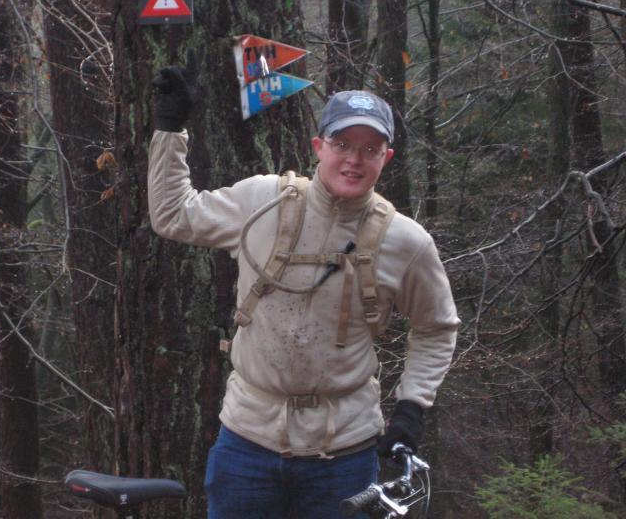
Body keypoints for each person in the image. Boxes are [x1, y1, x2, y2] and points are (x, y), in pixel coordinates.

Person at [147, 53, 460, 519]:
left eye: (370, 149)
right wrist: (170, 129)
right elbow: (173, 215)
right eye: (342, 143)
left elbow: (437, 328)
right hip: (246, 442)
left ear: (386, 158)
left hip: (345, 453)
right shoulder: (261, 202)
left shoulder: (406, 242)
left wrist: (411, 408)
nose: (354, 160)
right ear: (319, 146)